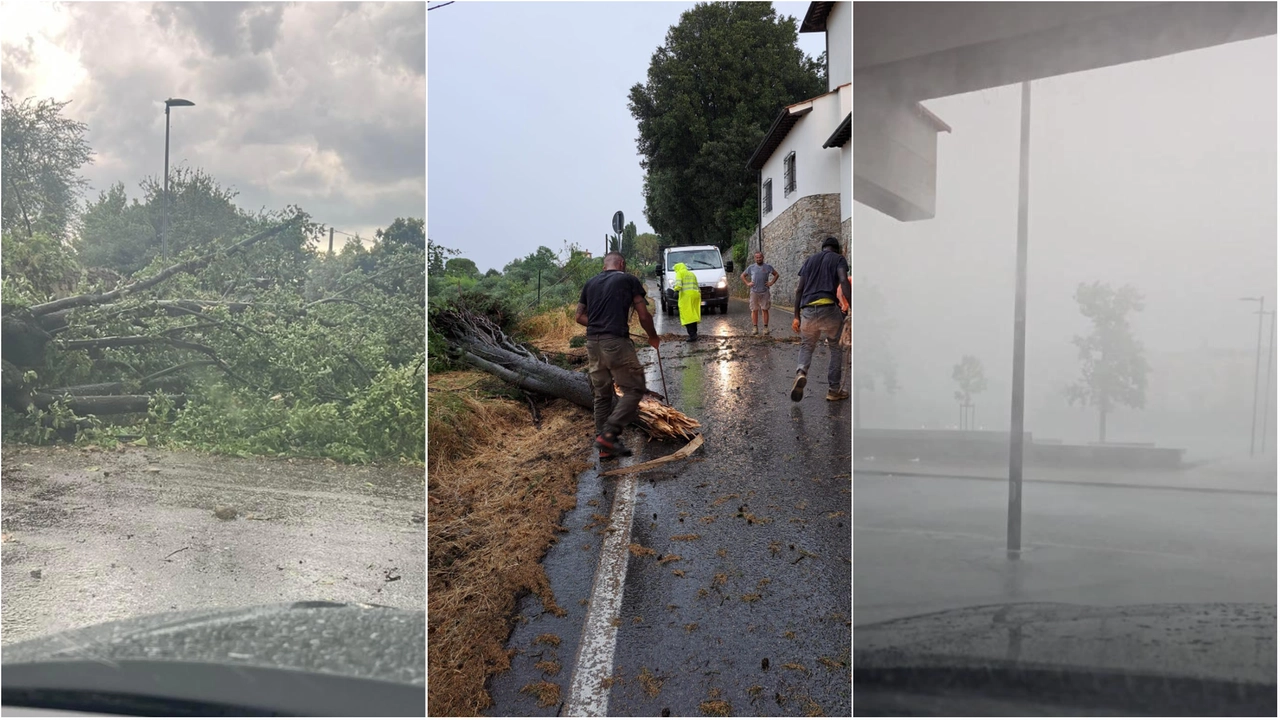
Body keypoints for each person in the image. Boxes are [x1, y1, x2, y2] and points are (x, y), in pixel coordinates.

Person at [576, 252, 661, 459]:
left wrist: (599, 325)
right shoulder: (628, 280)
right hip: (616, 343)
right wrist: (653, 337)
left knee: (602, 394)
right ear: (622, 263)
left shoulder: (590, 283)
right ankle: (608, 435)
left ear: (604, 266)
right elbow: (643, 314)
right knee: (634, 389)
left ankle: (604, 447)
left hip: (592, 343)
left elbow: (579, 316)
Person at [791, 236, 851, 402]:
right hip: (829, 309)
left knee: (807, 345)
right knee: (835, 348)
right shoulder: (838, 259)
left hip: (808, 311)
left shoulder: (809, 261)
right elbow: (844, 282)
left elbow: (799, 290)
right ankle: (833, 390)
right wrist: (853, 306)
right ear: (836, 249)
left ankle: (801, 372)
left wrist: (796, 316)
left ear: (823, 247)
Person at [741, 251, 779, 335]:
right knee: (754, 310)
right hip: (754, 292)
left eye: (760, 257)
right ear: (755, 258)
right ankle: (755, 327)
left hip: (765, 291)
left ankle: (765, 327)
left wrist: (771, 283)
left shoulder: (768, 267)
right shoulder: (751, 267)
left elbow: (776, 274)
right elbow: (742, 275)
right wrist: (747, 283)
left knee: (765, 309)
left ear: (763, 257)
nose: (758, 259)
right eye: (757, 257)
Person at [672, 261, 702, 342]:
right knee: (693, 314)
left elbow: (678, 284)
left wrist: (676, 291)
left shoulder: (679, 273)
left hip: (686, 297)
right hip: (695, 296)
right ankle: (694, 333)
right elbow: (697, 285)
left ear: (678, 268)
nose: (675, 271)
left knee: (687, 315)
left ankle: (692, 335)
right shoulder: (691, 274)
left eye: (675, 270)